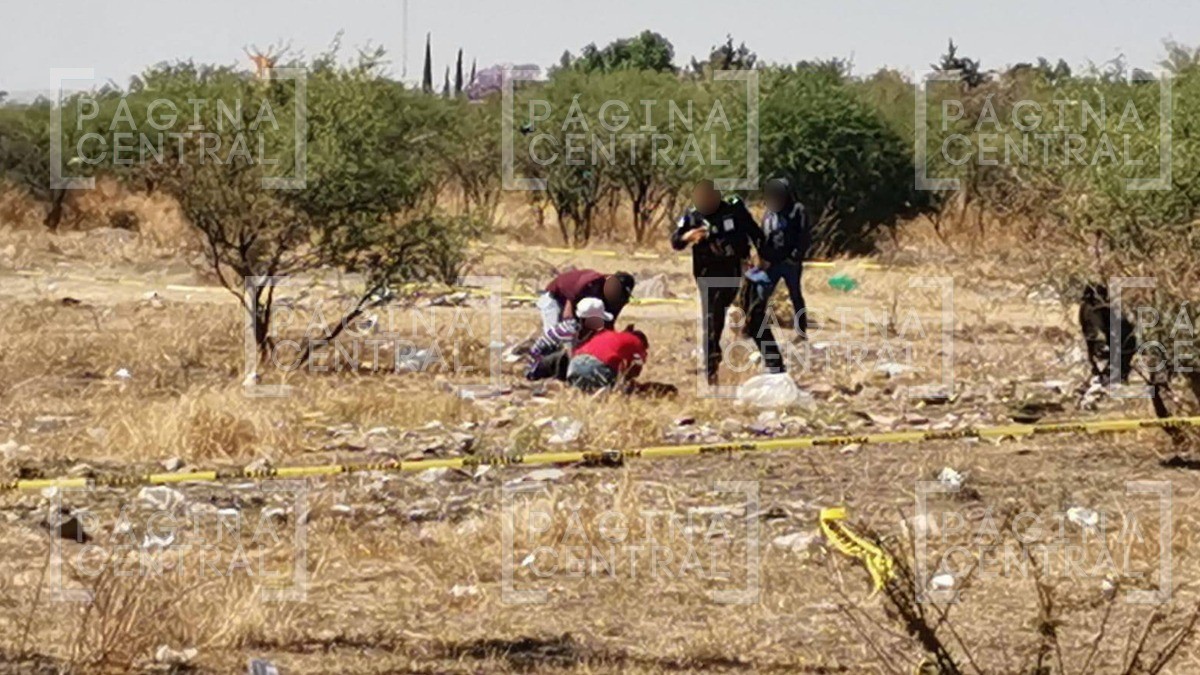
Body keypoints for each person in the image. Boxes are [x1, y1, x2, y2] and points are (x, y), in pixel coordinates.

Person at [671, 180, 784, 384]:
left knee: (754, 316)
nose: (705, 204)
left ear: (717, 197)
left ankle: (777, 368)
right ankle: (711, 373)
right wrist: (689, 236)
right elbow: (676, 241)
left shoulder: (734, 211)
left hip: (738, 273)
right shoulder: (692, 216)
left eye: (708, 200)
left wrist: (764, 257)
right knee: (712, 325)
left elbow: (756, 234)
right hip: (709, 277)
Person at [749, 177, 810, 337]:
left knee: (795, 295)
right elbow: (763, 236)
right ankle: (756, 328)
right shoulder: (769, 213)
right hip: (772, 263)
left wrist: (795, 257)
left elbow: (804, 235)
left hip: (790, 263)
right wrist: (762, 257)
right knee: (761, 295)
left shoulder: (797, 210)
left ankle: (801, 332)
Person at [524, 297, 610, 381]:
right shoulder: (569, 331)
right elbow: (571, 356)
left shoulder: (584, 330)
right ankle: (560, 379)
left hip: (550, 362)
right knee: (565, 355)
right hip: (535, 367)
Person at [537, 269, 635, 332]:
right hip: (554, 297)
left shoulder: (619, 299)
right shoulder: (591, 282)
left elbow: (609, 323)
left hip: (576, 303)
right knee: (555, 333)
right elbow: (567, 315)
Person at [566, 325, 649, 392]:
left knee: (582, 390)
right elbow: (636, 369)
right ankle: (604, 390)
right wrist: (629, 383)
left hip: (574, 364)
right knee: (617, 387)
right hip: (596, 367)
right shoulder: (637, 341)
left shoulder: (608, 334)